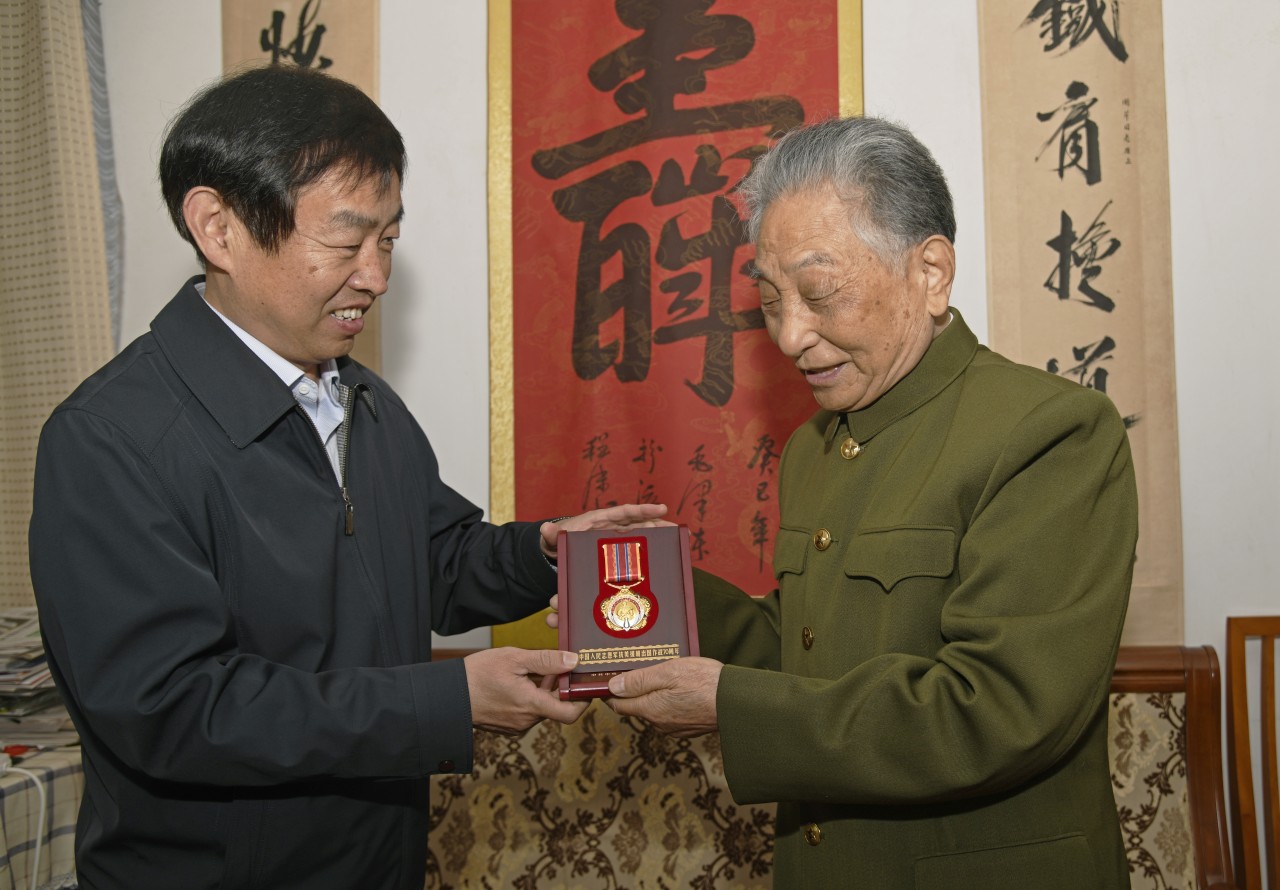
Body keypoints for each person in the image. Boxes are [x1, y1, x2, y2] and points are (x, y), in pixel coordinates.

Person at [28, 65, 665, 889]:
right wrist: (444, 702)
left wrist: (541, 553)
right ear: (218, 228)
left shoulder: (360, 398)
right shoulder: (112, 440)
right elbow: (174, 708)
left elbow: (430, 562)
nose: (375, 276)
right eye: (346, 241)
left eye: (388, 240)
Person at [604, 117, 1138, 889]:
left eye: (819, 293)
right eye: (771, 299)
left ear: (930, 272)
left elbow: (998, 710)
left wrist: (730, 707)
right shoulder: (815, 449)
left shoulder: (1049, 433)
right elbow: (807, 645)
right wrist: (644, 597)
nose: (790, 336)